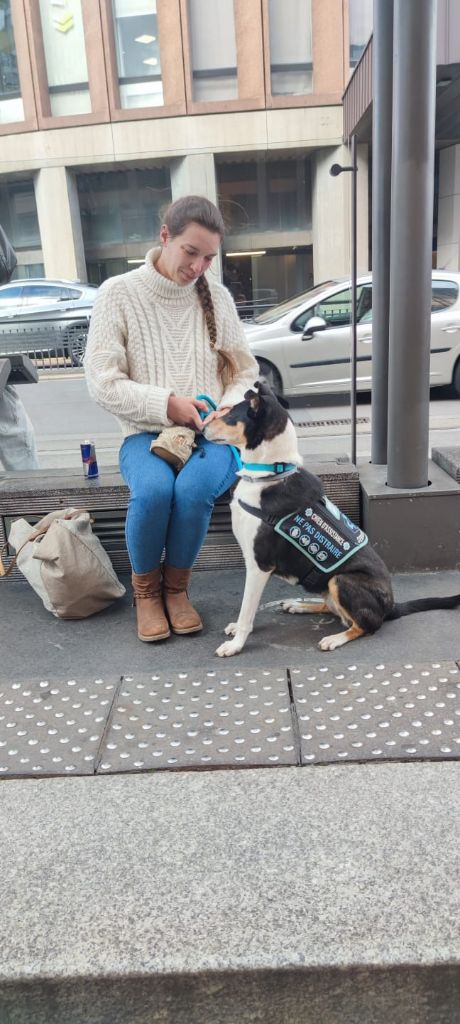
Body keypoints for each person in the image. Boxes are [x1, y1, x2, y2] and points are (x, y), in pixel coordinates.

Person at [84, 194, 259, 643]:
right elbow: (102, 382)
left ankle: (177, 591)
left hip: (213, 436)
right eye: (191, 251)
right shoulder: (118, 294)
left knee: (195, 488)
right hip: (145, 435)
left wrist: (226, 408)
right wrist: (167, 405)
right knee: (155, 490)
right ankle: (147, 595)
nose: (199, 266)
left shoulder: (216, 298)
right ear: (165, 237)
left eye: (208, 257)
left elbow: (245, 372)